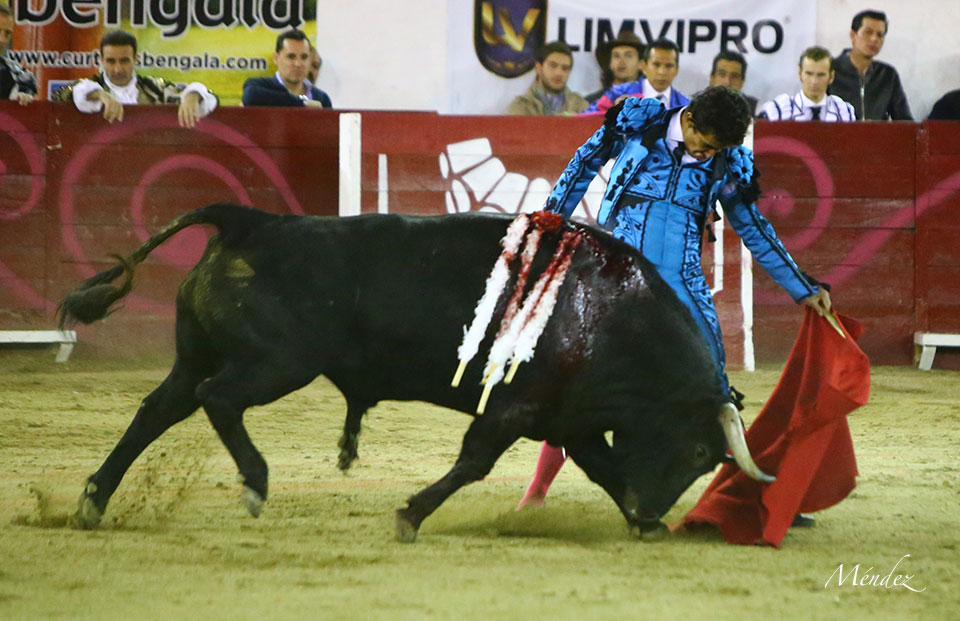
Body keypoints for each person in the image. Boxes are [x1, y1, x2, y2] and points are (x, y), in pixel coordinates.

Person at [518, 86, 832, 508]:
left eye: (716, 148)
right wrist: (552, 220)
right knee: (577, 379)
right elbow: (584, 162)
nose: (706, 154)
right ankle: (536, 491)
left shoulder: (725, 160)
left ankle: (741, 498)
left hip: (683, 285)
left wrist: (803, 288)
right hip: (620, 276)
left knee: (712, 388)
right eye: (704, 143)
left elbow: (753, 227)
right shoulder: (638, 123)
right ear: (689, 120)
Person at [52, 30, 217, 128]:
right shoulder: (92, 86)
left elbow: (210, 97)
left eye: (124, 61)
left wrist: (193, 95)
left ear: (135, 59)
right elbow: (62, 94)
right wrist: (102, 96)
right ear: (101, 60)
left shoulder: (153, 88)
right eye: (111, 61)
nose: (118, 69)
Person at [828, 9, 911, 120]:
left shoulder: (887, 75)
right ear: (853, 35)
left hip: (877, 136)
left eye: (880, 35)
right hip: (839, 136)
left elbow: (904, 120)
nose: (874, 39)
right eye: (868, 32)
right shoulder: (830, 70)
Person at [585, 39, 688, 115]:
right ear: (643, 66)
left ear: (676, 70)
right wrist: (611, 112)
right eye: (656, 65)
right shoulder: (615, 94)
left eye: (668, 66)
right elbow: (586, 119)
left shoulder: (686, 105)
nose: (661, 72)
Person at [759, 46, 856, 122]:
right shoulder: (777, 110)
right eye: (809, 74)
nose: (814, 81)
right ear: (800, 73)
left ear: (831, 77)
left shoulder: (844, 112)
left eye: (821, 75)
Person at [242, 29, 332, 108]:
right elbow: (250, 96)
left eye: (304, 57)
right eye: (291, 57)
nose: (298, 64)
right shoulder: (260, 86)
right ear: (276, 58)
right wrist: (302, 104)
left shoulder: (321, 98)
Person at [507, 41, 587, 116]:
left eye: (565, 68)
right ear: (538, 68)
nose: (559, 73)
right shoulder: (520, 107)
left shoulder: (580, 106)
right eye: (553, 65)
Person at [584, 27, 645, 104]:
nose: (621, 62)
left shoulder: (651, 101)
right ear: (610, 63)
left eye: (628, 56)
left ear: (641, 64)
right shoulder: (591, 102)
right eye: (616, 56)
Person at [0, 2, 36, 105]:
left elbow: (29, 89)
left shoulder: (19, 74)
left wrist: (24, 96)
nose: (2, 40)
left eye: (7, 33)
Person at [708, 50, 757, 116]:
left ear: (742, 82)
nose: (727, 82)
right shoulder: (695, 106)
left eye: (734, 76)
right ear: (712, 78)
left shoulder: (754, 108)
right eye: (722, 74)